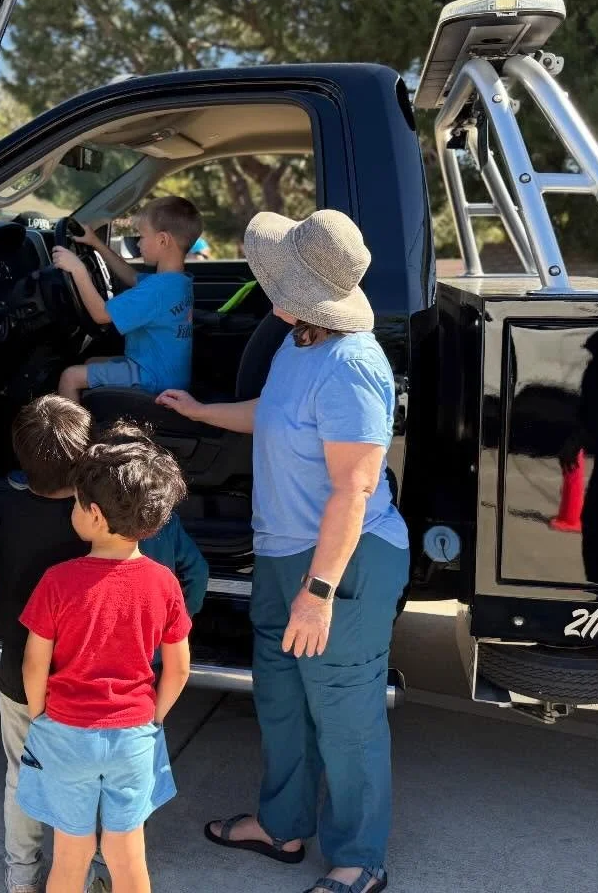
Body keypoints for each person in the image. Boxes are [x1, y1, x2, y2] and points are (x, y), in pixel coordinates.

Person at [157, 209, 409, 893]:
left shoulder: (352, 365)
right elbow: (271, 410)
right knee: (282, 699)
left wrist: (319, 591)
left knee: (345, 711)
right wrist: (203, 413)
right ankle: (283, 826)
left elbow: (354, 490)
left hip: (342, 560)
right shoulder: (298, 342)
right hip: (281, 552)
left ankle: (360, 858)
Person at [0, 397, 208, 893]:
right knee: (128, 854)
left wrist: (43, 713)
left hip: (55, 719)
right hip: (132, 729)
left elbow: (32, 660)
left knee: (48, 824)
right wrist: (153, 718)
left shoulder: (47, 565)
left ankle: (22, 873)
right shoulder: (158, 578)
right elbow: (178, 668)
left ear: (90, 514)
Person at [53, 196, 201, 401]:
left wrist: (78, 269)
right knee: (91, 361)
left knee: (69, 377)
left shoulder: (156, 291)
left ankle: (74, 434)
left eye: (141, 236)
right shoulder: (177, 282)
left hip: (152, 380)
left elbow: (101, 315)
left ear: (162, 240)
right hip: (167, 374)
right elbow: (131, 276)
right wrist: (96, 243)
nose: (138, 243)